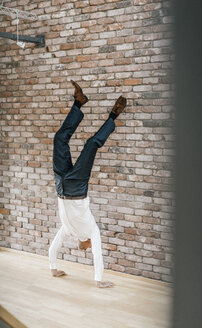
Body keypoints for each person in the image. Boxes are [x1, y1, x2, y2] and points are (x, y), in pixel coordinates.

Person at [48, 81, 127, 288]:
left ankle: (78, 103)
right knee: (91, 144)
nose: (85, 246)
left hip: (60, 184)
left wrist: (53, 268)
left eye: (83, 247)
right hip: (77, 187)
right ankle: (113, 117)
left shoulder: (68, 230)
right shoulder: (92, 232)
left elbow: (54, 246)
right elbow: (98, 253)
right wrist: (98, 280)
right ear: (89, 243)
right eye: (86, 247)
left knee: (58, 140)